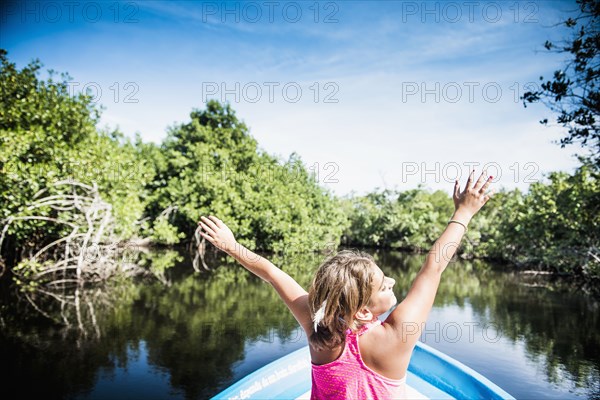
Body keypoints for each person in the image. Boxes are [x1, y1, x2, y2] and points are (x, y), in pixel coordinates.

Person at [198, 169, 494, 399]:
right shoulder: (398, 335)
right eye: (383, 286)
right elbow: (434, 267)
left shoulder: (318, 328)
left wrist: (231, 246)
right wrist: (464, 212)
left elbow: (273, 273)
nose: (392, 280)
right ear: (364, 312)